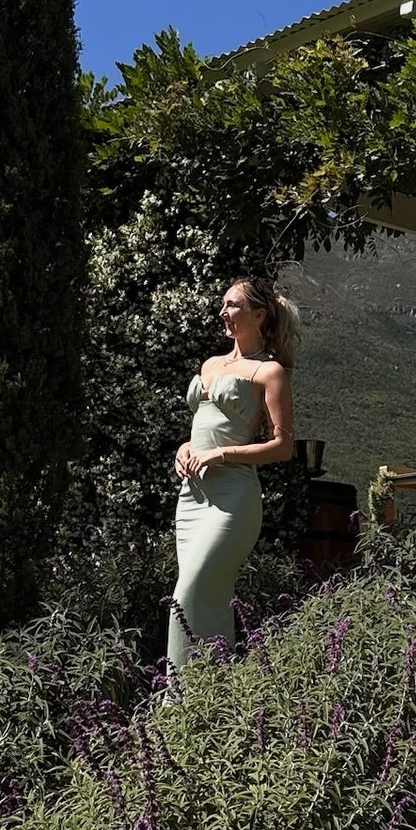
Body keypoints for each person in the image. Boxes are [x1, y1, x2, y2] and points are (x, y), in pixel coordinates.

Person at [168, 276, 298, 672]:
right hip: (191, 498)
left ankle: (181, 695)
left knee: (188, 593)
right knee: (203, 595)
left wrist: (221, 454)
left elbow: (284, 446)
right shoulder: (210, 365)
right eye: (223, 304)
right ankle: (211, 688)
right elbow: (203, 428)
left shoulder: (270, 372)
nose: (224, 312)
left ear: (258, 314)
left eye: (233, 305)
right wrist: (185, 448)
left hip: (233, 501)